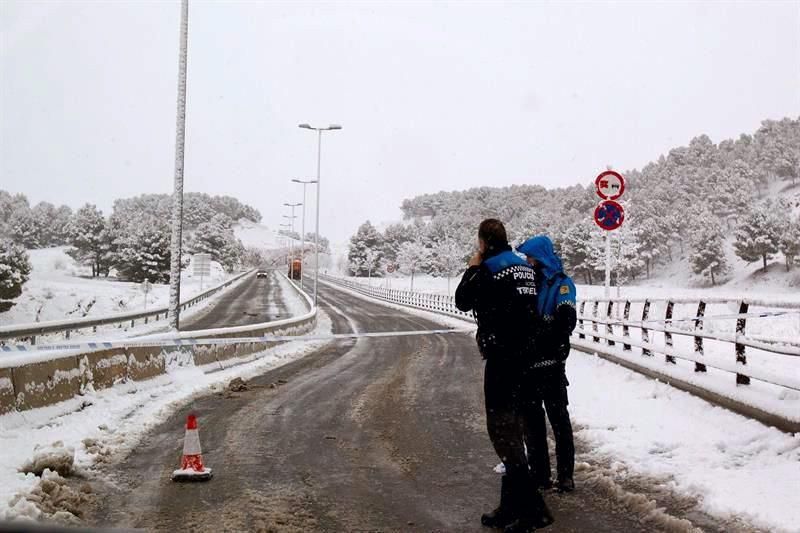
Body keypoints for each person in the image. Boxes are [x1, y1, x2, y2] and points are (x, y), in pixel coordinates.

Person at [455, 219, 554, 532]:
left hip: (503, 359)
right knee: (514, 432)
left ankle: (534, 511)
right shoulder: (522, 266)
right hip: (527, 359)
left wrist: (472, 267)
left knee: (503, 434)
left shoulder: (489, 268)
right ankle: (509, 508)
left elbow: (462, 300)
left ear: (483, 240)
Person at [516, 235, 577, 493]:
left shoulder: (562, 284)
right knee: (532, 423)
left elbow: (566, 321)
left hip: (551, 364)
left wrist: (539, 330)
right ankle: (540, 475)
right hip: (529, 364)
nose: (528, 262)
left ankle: (565, 476)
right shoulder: (529, 284)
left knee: (559, 420)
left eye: (531, 257)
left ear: (540, 257)